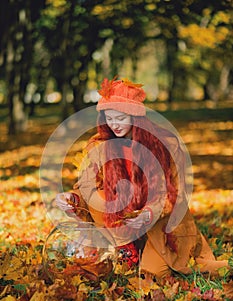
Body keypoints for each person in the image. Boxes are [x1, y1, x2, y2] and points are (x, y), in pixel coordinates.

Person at [56, 77, 231, 280]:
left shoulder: (166, 144)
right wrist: (72, 198)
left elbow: (175, 194)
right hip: (122, 223)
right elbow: (88, 187)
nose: (114, 125)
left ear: (135, 116)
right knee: (99, 199)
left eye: (121, 118)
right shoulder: (98, 146)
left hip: (159, 224)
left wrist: (149, 213)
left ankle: (150, 253)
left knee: (154, 274)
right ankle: (127, 248)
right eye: (109, 118)